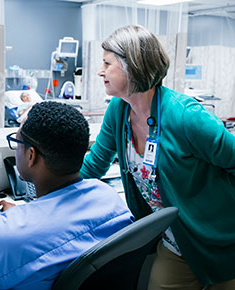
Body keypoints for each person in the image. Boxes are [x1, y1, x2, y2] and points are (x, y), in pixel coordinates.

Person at [80, 24, 235, 290]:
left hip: (219, 241)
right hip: (176, 242)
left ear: (132, 66)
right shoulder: (119, 111)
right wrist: (44, 201)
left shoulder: (186, 117)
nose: (100, 71)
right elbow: (94, 164)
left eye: (107, 63)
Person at [0, 101, 133, 290]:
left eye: (17, 142)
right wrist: (21, 216)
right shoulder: (109, 198)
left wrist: (4, 227)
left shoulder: (9, 236)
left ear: (31, 155)